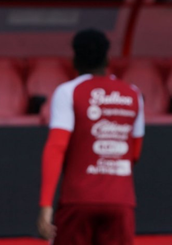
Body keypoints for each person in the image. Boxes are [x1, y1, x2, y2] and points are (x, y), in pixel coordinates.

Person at [37, 29, 144, 244]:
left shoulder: (68, 91)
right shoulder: (133, 94)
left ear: (74, 60)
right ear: (108, 59)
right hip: (121, 202)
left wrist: (45, 205)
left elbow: (56, 148)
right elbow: (135, 153)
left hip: (78, 201)